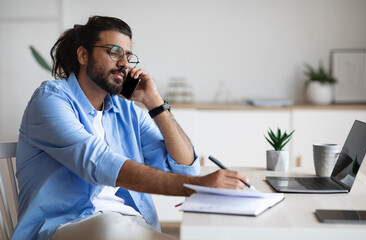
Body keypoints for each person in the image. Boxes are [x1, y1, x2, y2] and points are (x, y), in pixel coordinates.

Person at [13, 16, 249, 240]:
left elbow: (186, 170)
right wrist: (195, 188)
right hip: (64, 226)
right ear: (83, 55)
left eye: (128, 56)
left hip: (127, 222)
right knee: (108, 227)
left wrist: (155, 102)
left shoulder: (125, 111)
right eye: (114, 52)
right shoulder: (50, 100)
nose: (124, 64)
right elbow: (99, 163)